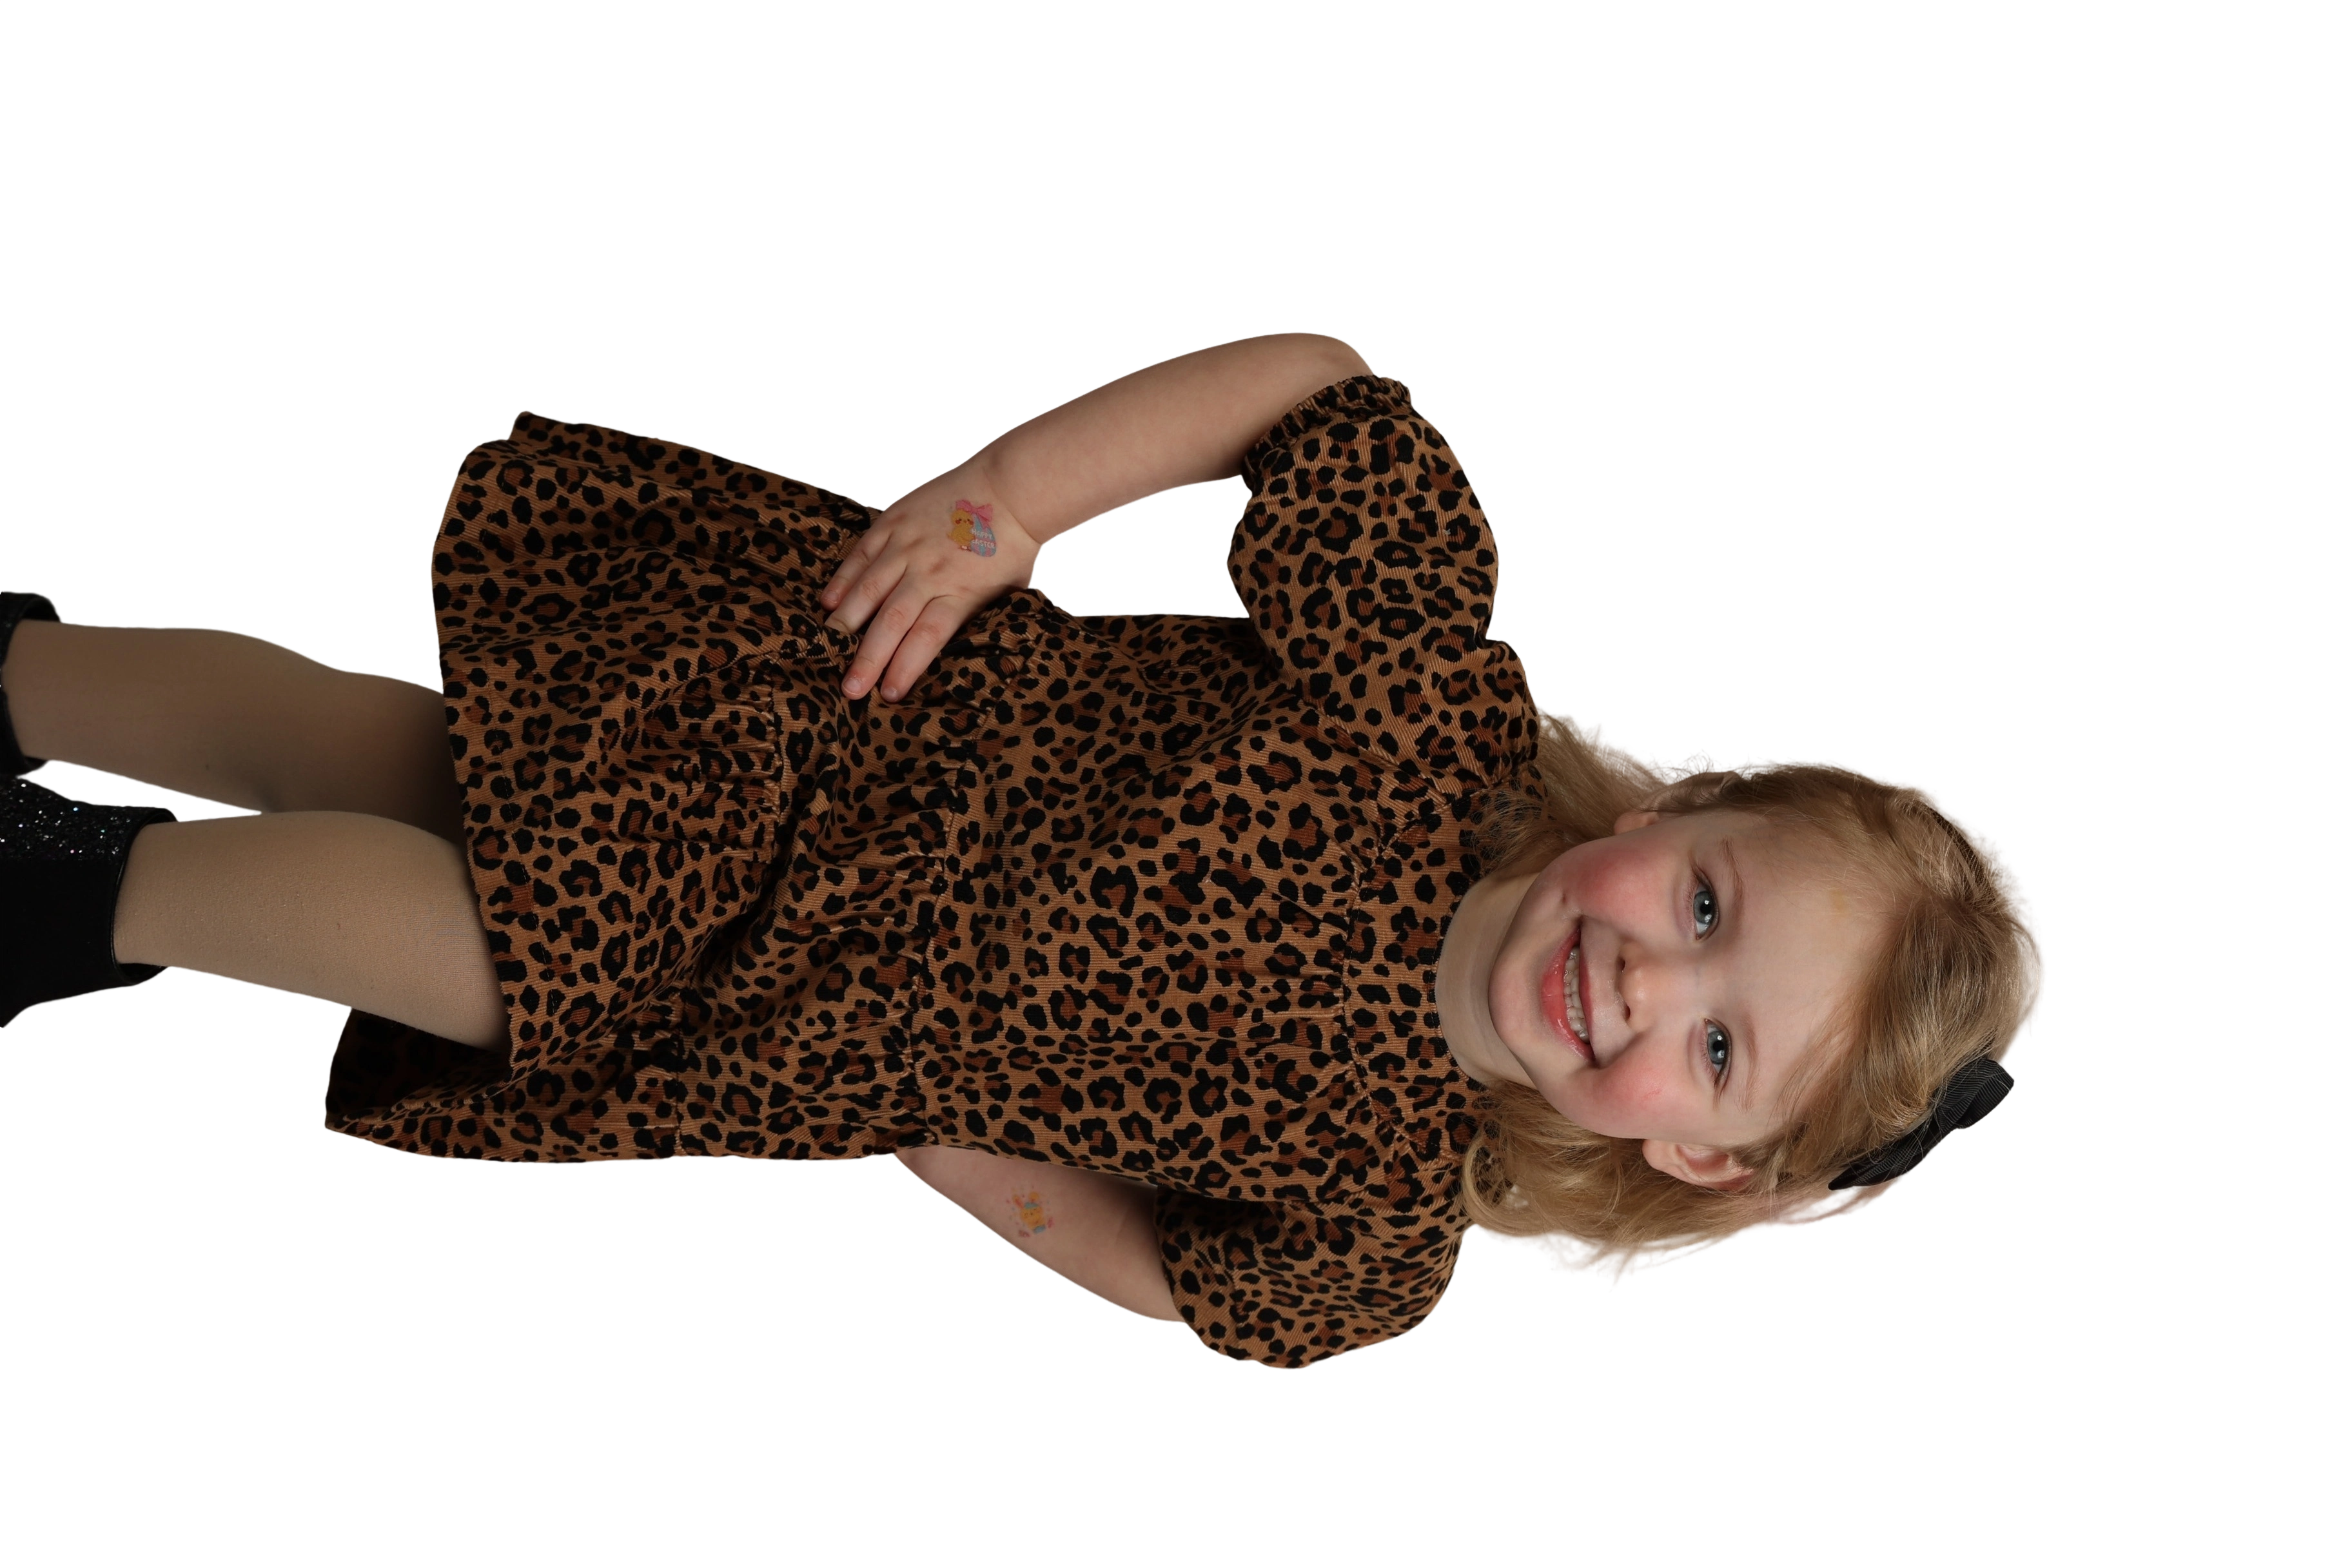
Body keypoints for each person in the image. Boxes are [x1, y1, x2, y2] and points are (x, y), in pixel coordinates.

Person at [0, 331, 2046, 1370]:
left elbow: (1174, 1282)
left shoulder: (1372, 1217)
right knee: (401, 785)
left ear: (1699, 1157)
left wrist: (970, 1159)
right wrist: (1009, 503)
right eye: (1705, 908)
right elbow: (1322, 394)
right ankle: (36, 721)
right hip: (831, 726)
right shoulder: (1430, 711)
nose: (1648, 982)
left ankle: (82, 890)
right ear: (1679, 813)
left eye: (1717, 1050)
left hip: (813, 1015)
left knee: (487, 904)